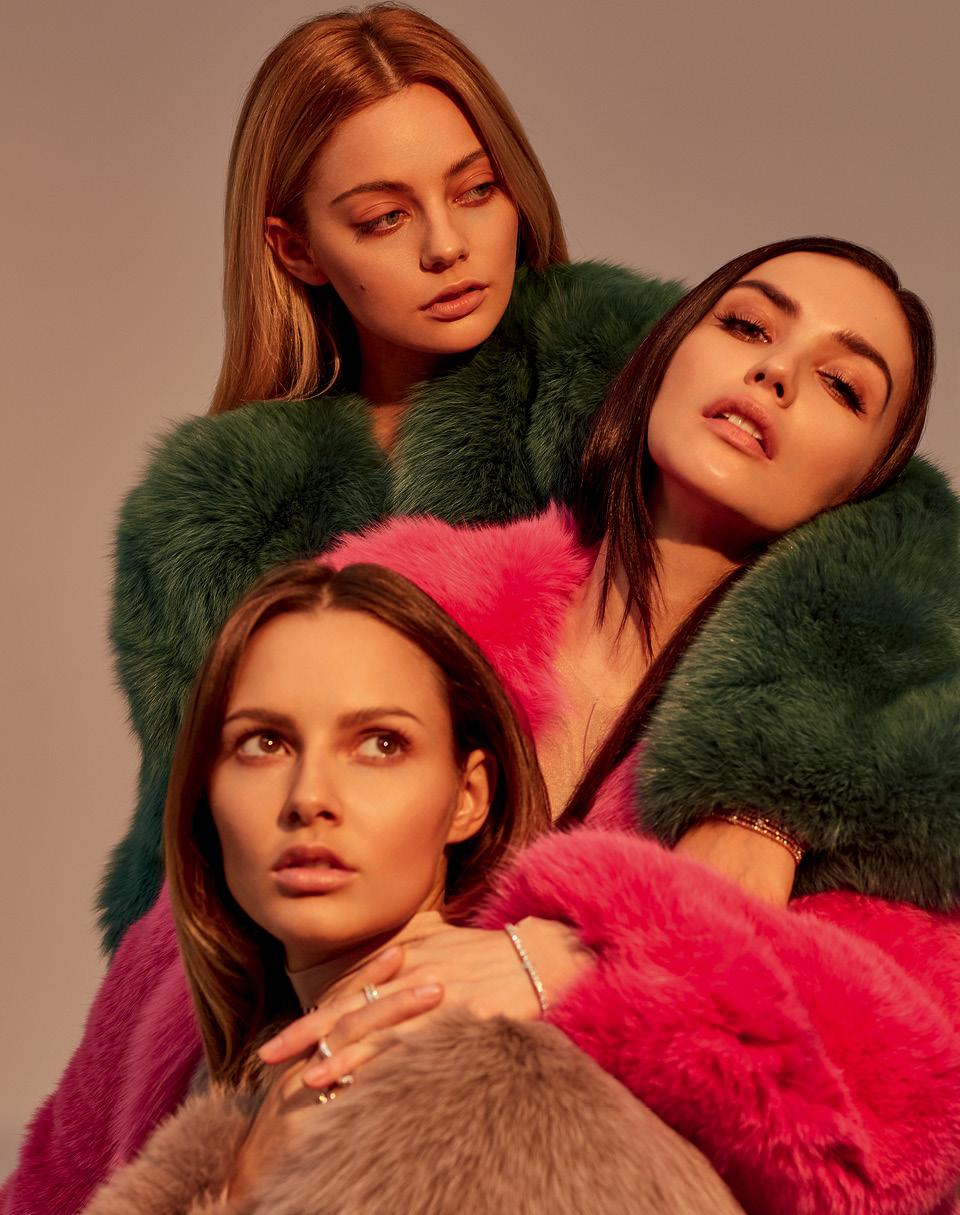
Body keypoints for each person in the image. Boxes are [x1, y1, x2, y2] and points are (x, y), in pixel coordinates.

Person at [7, 237, 959, 1215]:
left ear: (868, 483)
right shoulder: (401, 606)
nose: (775, 374)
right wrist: (218, 1170)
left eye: (843, 386)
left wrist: (577, 958)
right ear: (669, 352)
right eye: (748, 326)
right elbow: (171, 969)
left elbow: (905, 1105)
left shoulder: (857, 768)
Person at [103, 2, 682, 949]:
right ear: (297, 249)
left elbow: (860, 573)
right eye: (384, 217)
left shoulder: (631, 375)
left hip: (612, 954)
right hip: (327, 997)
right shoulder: (209, 513)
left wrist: (758, 823)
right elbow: (185, 852)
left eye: (477, 190)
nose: (447, 245)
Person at [81, 560, 742, 1215]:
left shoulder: (511, 1108)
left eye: (380, 744)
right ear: (204, 795)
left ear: (468, 797)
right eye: (264, 743)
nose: (309, 797)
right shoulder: (242, 1093)